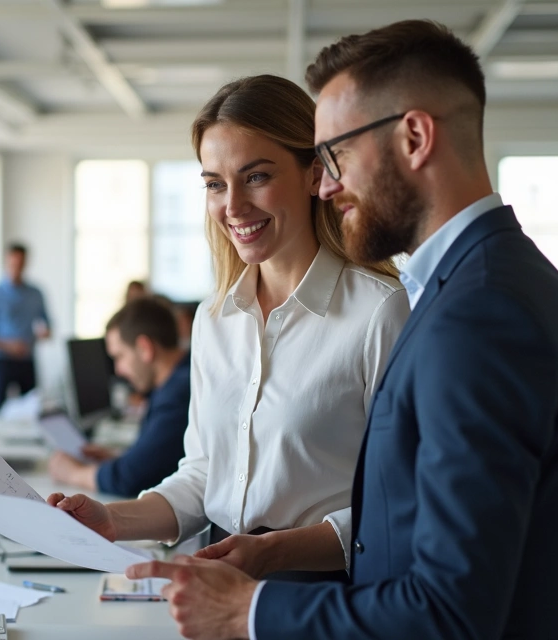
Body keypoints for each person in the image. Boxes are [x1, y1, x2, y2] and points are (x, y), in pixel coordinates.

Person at [125, 20, 558, 640]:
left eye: (337, 154)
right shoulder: (477, 286)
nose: (327, 183)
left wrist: (245, 610)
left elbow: (450, 609)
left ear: (413, 137)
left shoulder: (480, 313)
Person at [47, 74, 410, 584]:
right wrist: (114, 519)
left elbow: (402, 504)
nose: (233, 206)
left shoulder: (380, 312)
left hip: (323, 594)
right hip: (224, 578)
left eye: (256, 176)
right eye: (215, 183)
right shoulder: (215, 318)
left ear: (314, 173)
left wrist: (275, 554)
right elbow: (203, 475)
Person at [48, 297, 191, 496]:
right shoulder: (176, 380)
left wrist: (73, 473)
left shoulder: (180, 393)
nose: (118, 370)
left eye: (119, 357)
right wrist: (120, 458)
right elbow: (161, 462)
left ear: (144, 348)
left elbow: (131, 479)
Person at [0, 243, 51, 409]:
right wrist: (8, 346)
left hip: (27, 360)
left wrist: (44, 333)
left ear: (26, 263)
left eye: (20, 264)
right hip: (4, 361)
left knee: (31, 408)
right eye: (13, 263)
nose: (16, 268)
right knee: (0, 410)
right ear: (6, 262)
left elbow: (47, 325)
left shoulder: (36, 293)